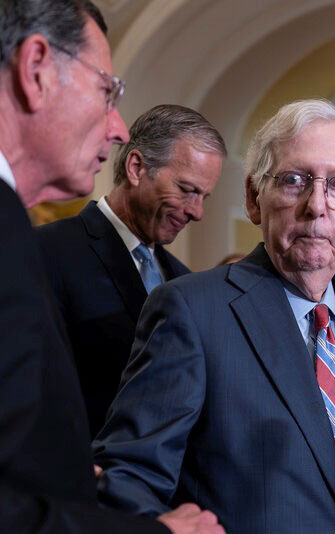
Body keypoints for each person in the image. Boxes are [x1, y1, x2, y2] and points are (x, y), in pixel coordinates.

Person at [93, 99, 335, 533]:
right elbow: (129, 474)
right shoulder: (192, 311)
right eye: (295, 180)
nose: (317, 206)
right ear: (254, 198)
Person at [0, 1, 222, 532]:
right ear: (35, 71)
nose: (118, 126)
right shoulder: (36, 247)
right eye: (107, 91)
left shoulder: (187, 285)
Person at [35, 103, 226, 436]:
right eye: (187, 190)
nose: (197, 212)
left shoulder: (184, 282)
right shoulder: (47, 251)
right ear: (137, 167)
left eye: (204, 197)